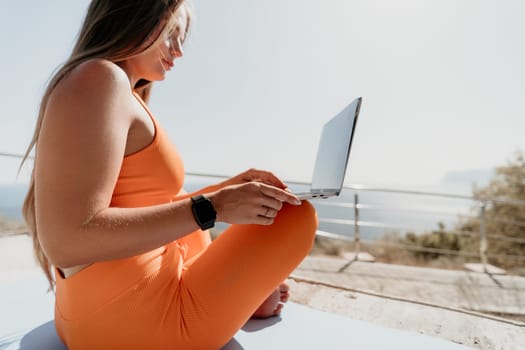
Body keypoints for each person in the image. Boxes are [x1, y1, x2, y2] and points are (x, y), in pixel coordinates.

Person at [20, 0, 318, 349]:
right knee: (293, 217)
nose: (177, 51)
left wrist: (226, 191)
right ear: (136, 18)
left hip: (99, 313)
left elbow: (146, 204)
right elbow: (66, 241)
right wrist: (212, 207)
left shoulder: (117, 90)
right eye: (171, 34)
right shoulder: (100, 78)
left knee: (206, 227)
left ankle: (242, 297)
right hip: (133, 322)